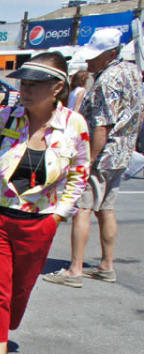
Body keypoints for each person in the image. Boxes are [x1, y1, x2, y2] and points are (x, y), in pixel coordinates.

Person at [0, 52, 89, 354]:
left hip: (39, 220)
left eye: (37, 83)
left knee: (19, 290)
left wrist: (59, 215)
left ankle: (2, 326)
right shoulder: (6, 117)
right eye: (24, 82)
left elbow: (80, 173)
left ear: (58, 87)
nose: (27, 89)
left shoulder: (74, 125)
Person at [42, 28, 144, 288]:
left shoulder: (108, 80)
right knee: (106, 209)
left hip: (103, 154)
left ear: (111, 54)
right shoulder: (132, 73)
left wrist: (88, 161)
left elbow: (101, 125)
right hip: (121, 153)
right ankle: (106, 264)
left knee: (82, 209)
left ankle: (75, 269)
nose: (89, 62)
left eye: (95, 56)